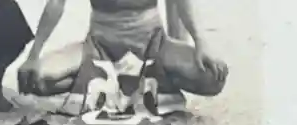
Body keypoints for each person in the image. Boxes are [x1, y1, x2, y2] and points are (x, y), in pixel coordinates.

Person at [17, 0, 228, 99]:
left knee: (213, 77)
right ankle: (130, 84)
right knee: (36, 80)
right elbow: (56, 4)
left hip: (151, 45)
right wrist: (33, 55)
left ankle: (159, 79)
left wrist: (201, 43)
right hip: (99, 49)